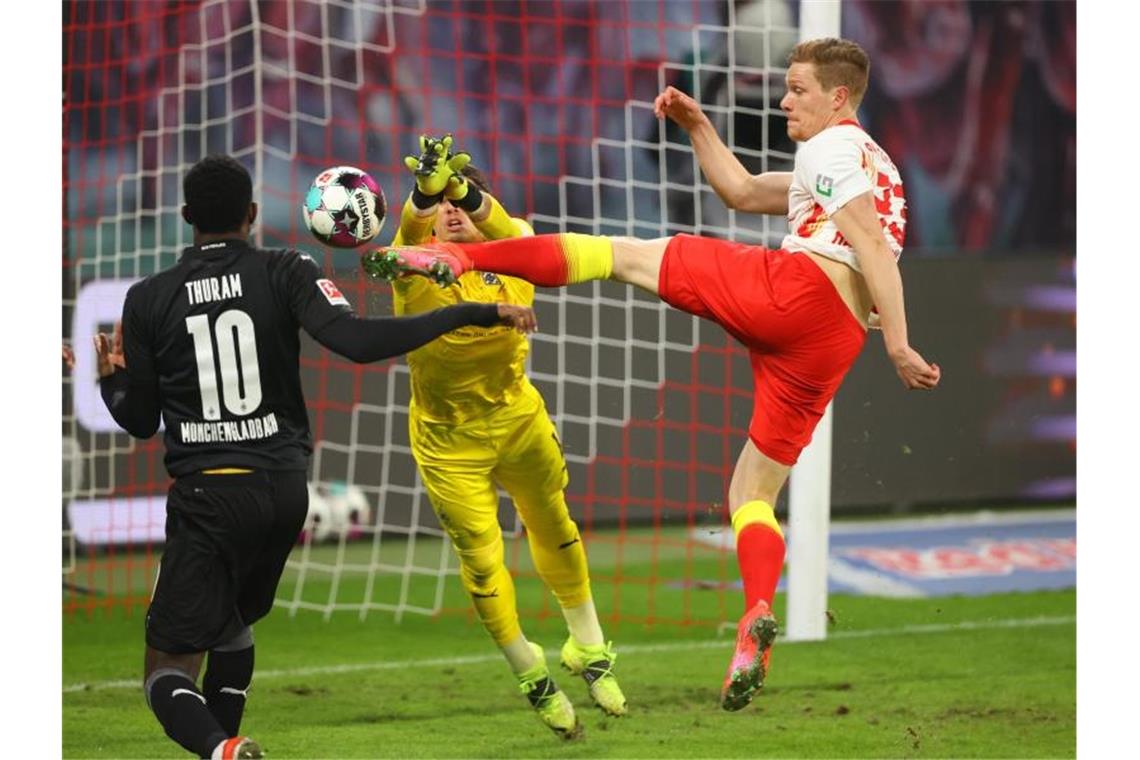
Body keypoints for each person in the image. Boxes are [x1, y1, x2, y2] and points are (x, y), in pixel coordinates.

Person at [363, 38, 941, 712]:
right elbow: (744, 190)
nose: (784, 100)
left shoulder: (829, 148)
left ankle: (462, 262)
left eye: (797, 89)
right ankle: (756, 612)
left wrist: (900, 343)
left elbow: (870, 244)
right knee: (752, 489)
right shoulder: (879, 166)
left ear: (839, 97)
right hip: (831, 338)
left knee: (626, 255)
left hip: (797, 293)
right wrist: (699, 127)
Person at [94, 154, 537, 760]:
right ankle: (225, 745)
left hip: (208, 494)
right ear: (251, 215)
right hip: (282, 494)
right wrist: (468, 310)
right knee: (231, 627)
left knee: (162, 673)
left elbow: (139, 420)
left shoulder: (147, 300)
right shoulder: (286, 269)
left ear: (185, 217)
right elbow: (355, 342)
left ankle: (222, 751)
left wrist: (109, 381)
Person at [375, 135, 626, 739]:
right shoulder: (413, 268)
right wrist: (424, 195)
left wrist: (462, 191)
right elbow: (405, 237)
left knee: (554, 524)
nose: (452, 214)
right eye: (441, 208)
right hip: (447, 440)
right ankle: (530, 672)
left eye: (462, 204)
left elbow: (505, 224)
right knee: (484, 566)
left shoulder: (517, 250)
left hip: (518, 420)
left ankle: (589, 651)